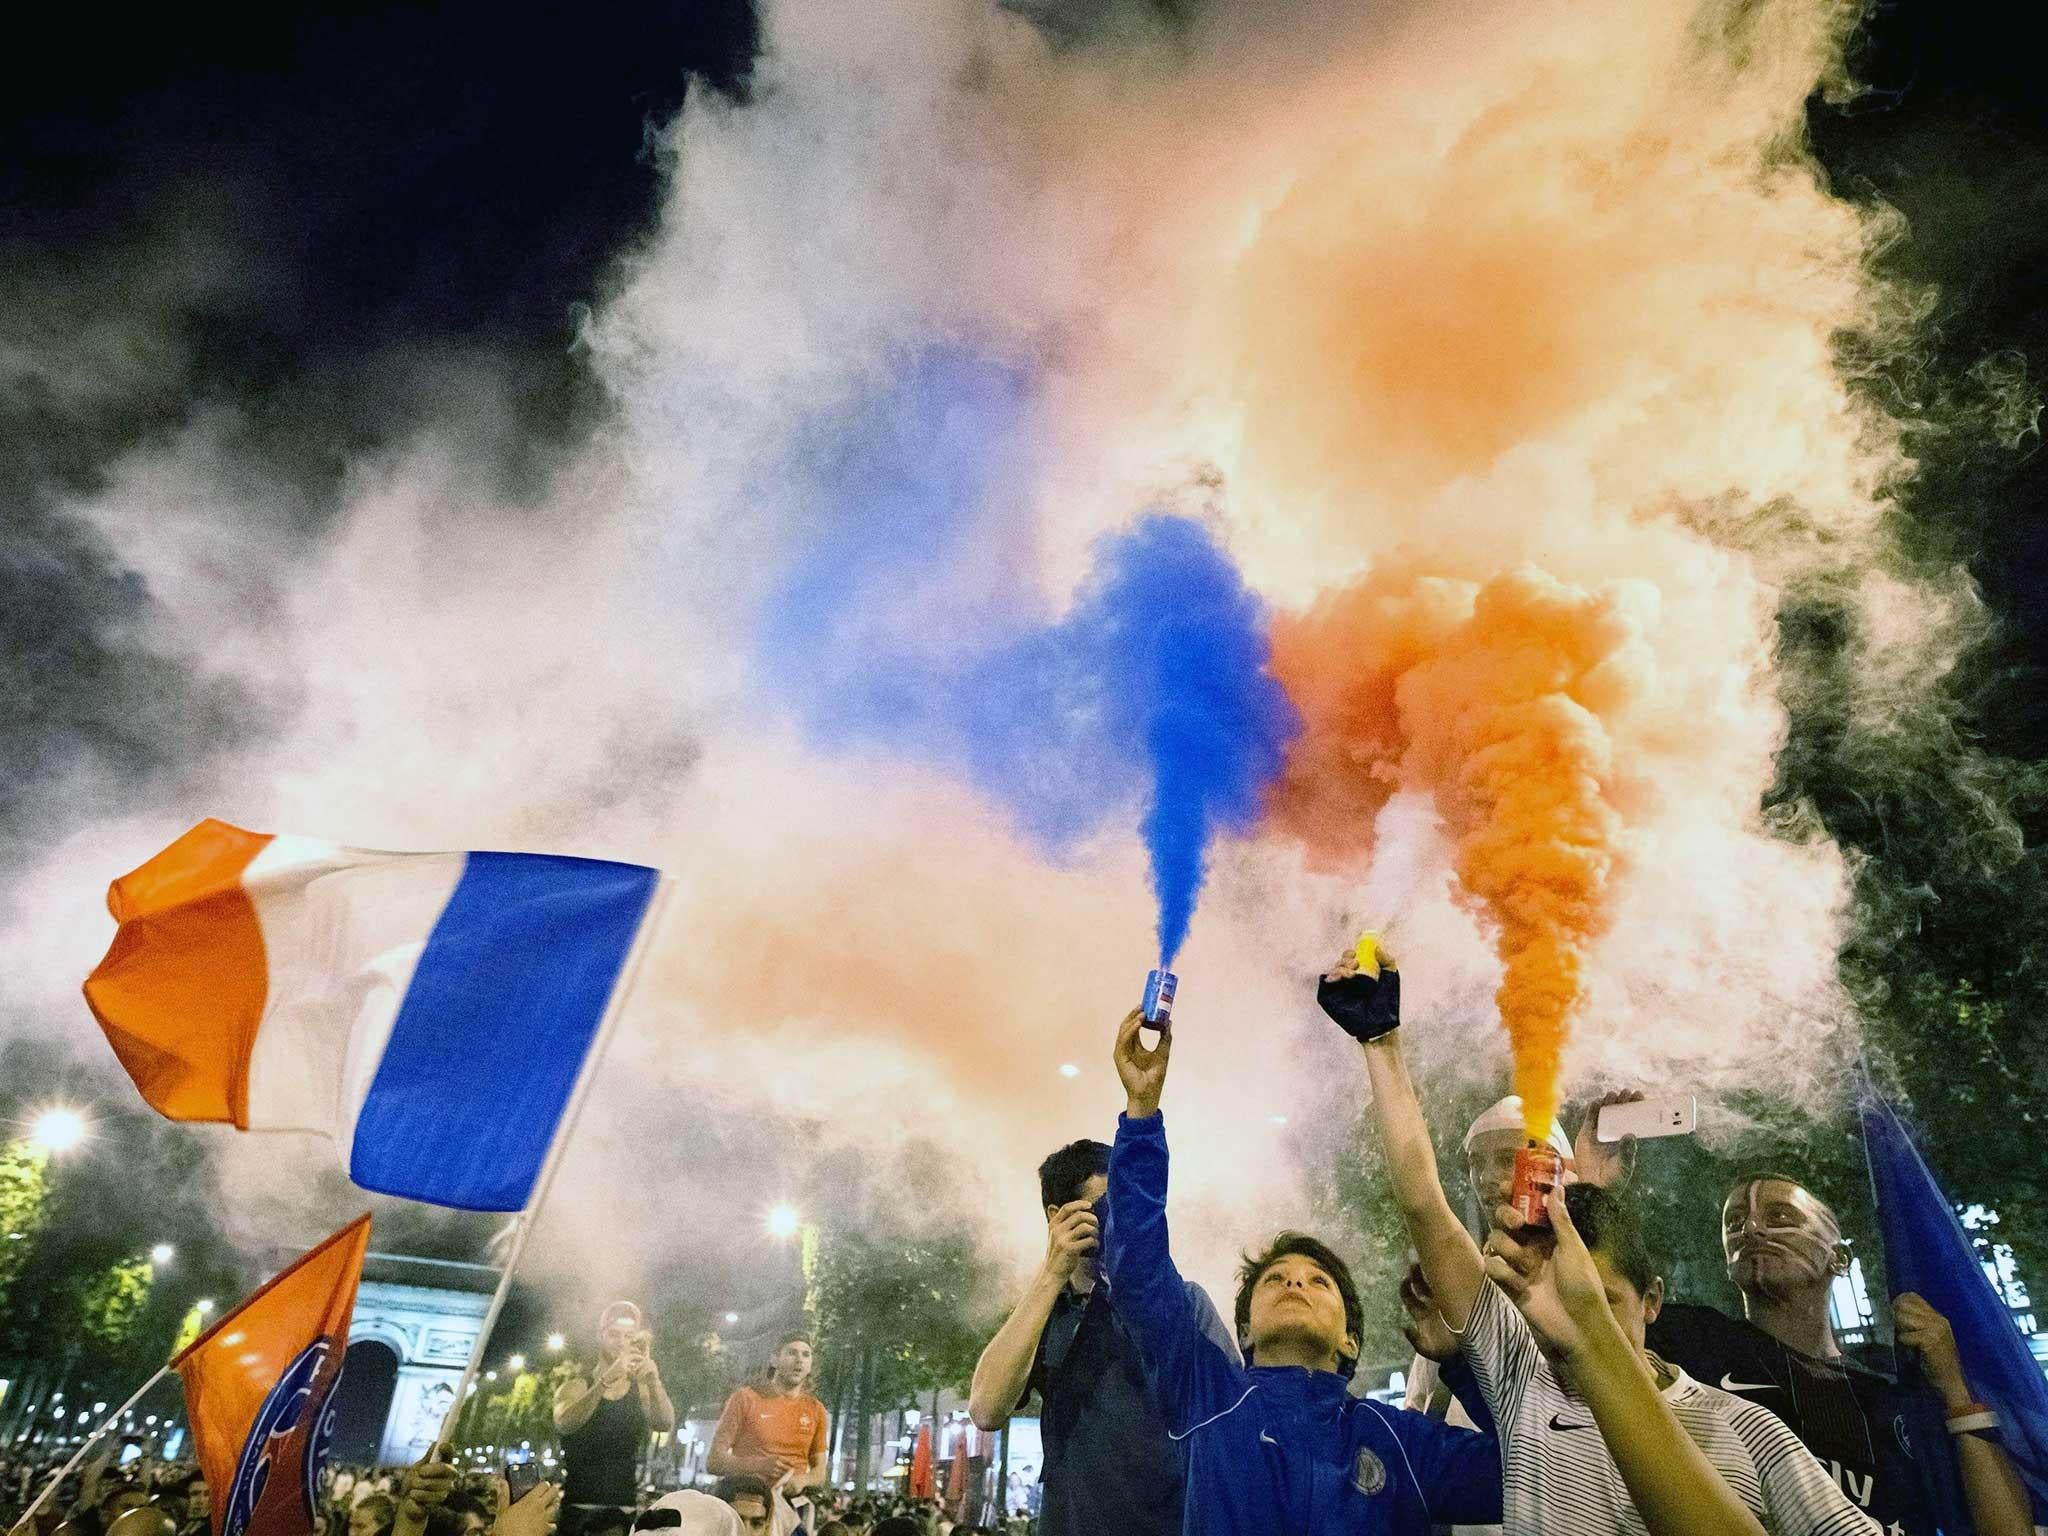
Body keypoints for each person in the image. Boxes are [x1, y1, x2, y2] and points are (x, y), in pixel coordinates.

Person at [1335, 938, 1878, 1536]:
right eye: (1561, 1303)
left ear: (1653, 1299)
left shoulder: (1747, 1428)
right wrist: (1382, 1043)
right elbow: (1424, 1204)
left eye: (1601, 1302)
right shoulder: (1527, 1383)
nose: (1574, 1322)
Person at [1102, 1007, 1503, 1533]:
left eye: (1319, 1282)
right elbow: (1138, 1272)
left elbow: (1526, 1469)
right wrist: (1140, 1114)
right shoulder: (1205, 1392)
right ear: (1244, 1331)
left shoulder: (1397, 1441)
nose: (1295, 1282)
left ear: (1350, 1341)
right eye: (1275, 1279)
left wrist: (1459, 1363)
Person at [1637, 1172, 2036, 1536]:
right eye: (1735, 1222)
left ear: (1840, 1258)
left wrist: (1953, 1385)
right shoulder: (1690, 1340)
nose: (1752, 1229)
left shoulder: (1896, 1377)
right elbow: (1593, 1311)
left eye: (1779, 1216)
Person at [967, 1136, 1238, 1536]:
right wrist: (1052, 1274)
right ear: (1058, 1216)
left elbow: (1231, 1420)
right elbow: (986, 1410)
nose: (1120, 1222)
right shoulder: (1044, 1312)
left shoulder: (1182, 1301)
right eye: (1105, 1207)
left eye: (1129, 1206)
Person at [553, 1303, 676, 1536]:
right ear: (600, 1336)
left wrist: (653, 1380)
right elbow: (565, 1423)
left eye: (629, 1336)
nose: (621, 1342)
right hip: (579, 1509)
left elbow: (664, 1423)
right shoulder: (577, 1385)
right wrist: (606, 1380)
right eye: (614, 1334)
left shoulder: (641, 1390)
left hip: (622, 1511)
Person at [707, 1334, 829, 1503]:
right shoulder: (744, 1398)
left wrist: (801, 1481)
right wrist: (760, 1465)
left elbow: (820, 1473)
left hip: (790, 1504)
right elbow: (714, 1461)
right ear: (774, 1360)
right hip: (746, 1499)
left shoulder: (816, 1410)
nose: (799, 1360)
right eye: (792, 1353)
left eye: (806, 1355)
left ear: (810, 1366)